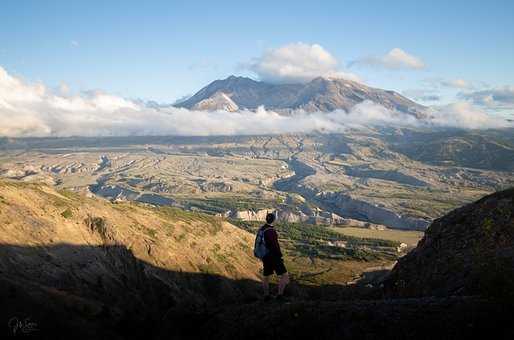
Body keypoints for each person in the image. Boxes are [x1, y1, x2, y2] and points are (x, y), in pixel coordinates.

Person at [259, 212, 289, 301]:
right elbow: (275, 245)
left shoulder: (262, 229)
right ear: (274, 220)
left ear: (266, 219)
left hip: (265, 256)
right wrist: (280, 256)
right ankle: (280, 296)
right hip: (273, 256)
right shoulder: (271, 231)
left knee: (266, 276)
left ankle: (266, 296)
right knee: (284, 275)